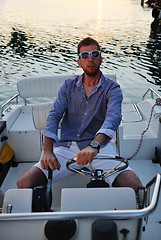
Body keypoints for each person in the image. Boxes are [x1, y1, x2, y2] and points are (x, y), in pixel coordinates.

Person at [17, 37, 142, 193]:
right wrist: (47, 150)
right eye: (85, 56)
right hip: (66, 149)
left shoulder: (112, 88)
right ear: (79, 62)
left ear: (101, 59)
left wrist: (94, 146)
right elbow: (54, 116)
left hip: (99, 148)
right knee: (24, 183)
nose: (90, 59)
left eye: (95, 54)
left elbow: (113, 118)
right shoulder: (68, 86)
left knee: (136, 188)